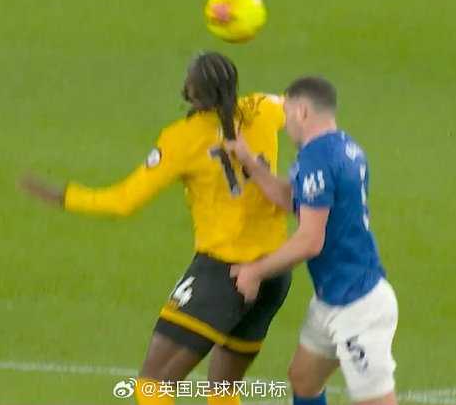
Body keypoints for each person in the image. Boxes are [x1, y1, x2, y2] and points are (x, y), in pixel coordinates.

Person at [21, 52, 290, 405]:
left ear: (191, 92)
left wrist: (64, 196)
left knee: (152, 386)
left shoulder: (182, 139)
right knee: (223, 391)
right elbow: (299, 106)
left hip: (225, 273)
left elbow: (123, 202)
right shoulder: (262, 110)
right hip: (275, 271)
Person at [227, 76, 399, 405]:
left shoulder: (316, 159)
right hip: (332, 297)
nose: (286, 125)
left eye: (287, 114)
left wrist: (254, 271)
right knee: (304, 379)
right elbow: (291, 199)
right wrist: (249, 162)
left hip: (357, 305)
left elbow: (309, 241)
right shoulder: (343, 148)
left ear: (302, 112)